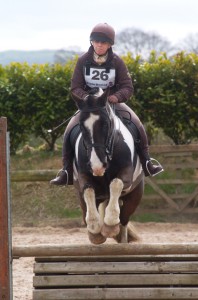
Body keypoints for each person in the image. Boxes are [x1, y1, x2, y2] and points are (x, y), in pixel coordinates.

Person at [50, 23, 163, 186]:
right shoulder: (83, 60)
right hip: (90, 106)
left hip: (111, 103)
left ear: (110, 44)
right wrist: (87, 97)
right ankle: (66, 171)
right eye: (96, 42)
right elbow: (75, 87)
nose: (99, 45)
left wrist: (115, 97)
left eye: (103, 42)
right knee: (69, 130)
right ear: (92, 42)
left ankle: (147, 163)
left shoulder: (117, 62)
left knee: (137, 124)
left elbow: (127, 87)